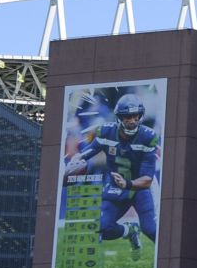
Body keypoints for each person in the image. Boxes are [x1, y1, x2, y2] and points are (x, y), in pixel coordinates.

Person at [68, 93, 160, 253]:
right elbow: (87, 153)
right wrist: (77, 159)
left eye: (135, 116)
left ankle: (169, 267)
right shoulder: (106, 131)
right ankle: (129, 231)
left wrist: (128, 184)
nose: (132, 121)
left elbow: (147, 179)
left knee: (152, 230)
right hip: (116, 187)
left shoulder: (148, 137)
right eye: (128, 117)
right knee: (100, 227)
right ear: (119, 117)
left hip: (141, 188)